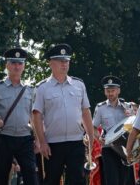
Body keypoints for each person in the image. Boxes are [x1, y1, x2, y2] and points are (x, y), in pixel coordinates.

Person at [32, 44, 94, 185]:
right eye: (60, 61)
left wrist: (90, 137)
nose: (64, 64)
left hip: (76, 142)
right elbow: (36, 115)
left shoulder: (79, 85)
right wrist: (41, 141)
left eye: (66, 61)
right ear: (50, 63)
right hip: (53, 144)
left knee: (78, 180)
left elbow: (86, 112)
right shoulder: (42, 87)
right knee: (51, 180)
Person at [0, 48, 39, 185]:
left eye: (20, 63)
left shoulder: (30, 89)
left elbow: (34, 116)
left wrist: (38, 139)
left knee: (31, 175)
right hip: (4, 138)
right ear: (7, 65)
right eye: (13, 63)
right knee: (1, 176)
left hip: (25, 138)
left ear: (24, 66)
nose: (17, 66)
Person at [92, 76, 133, 185]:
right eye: (108, 91)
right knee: (112, 180)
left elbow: (136, 125)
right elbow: (94, 128)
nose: (110, 93)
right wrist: (99, 138)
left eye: (113, 91)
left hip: (125, 147)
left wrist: (131, 115)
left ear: (118, 91)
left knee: (124, 180)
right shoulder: (100, 108)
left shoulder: (127, 106)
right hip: (108, 148)